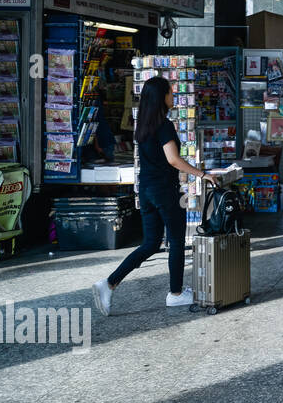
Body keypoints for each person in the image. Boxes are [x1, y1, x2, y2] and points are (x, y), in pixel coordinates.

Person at [91, 76, 214, 315]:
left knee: (150, 243)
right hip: (164, 190)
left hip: (146, 189)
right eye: (170, 92)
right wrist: (202, 174)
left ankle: (109, 284)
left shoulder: (143, 125)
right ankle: (175, 294)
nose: (173, 96)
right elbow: (173, 159)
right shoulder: (164, 125)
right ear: (162, 97)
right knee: (177, 240)